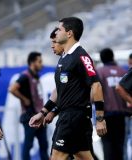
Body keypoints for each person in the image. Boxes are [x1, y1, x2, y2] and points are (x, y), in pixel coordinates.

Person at [29, 17, 107, 160]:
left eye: (59, 29)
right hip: (69, 116)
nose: (56, 32)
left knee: (56, 157)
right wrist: (44, 111)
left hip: (74, 117)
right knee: (83, 156)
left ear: (69, 33)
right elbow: (59, 91)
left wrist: (100, 118)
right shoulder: (64, 58)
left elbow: (96, 85)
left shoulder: (81, 56)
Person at [9, 52, 48, 160]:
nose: (41, 64)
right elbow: (12, 89)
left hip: (40, 116)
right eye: (39, 61)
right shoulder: (25, 76)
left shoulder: (36, 76)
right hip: (29, 116)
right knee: (28, 145)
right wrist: (24, 99)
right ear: (32, 62)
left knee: (44, 145)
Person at [96, 48, 129, 160]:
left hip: (106, 115)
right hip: (122, 114)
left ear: (101, 59)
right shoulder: (123, 71)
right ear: (112, 57)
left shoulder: (99, 72)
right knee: (120, 146)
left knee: (108, 146)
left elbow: (95, 93)